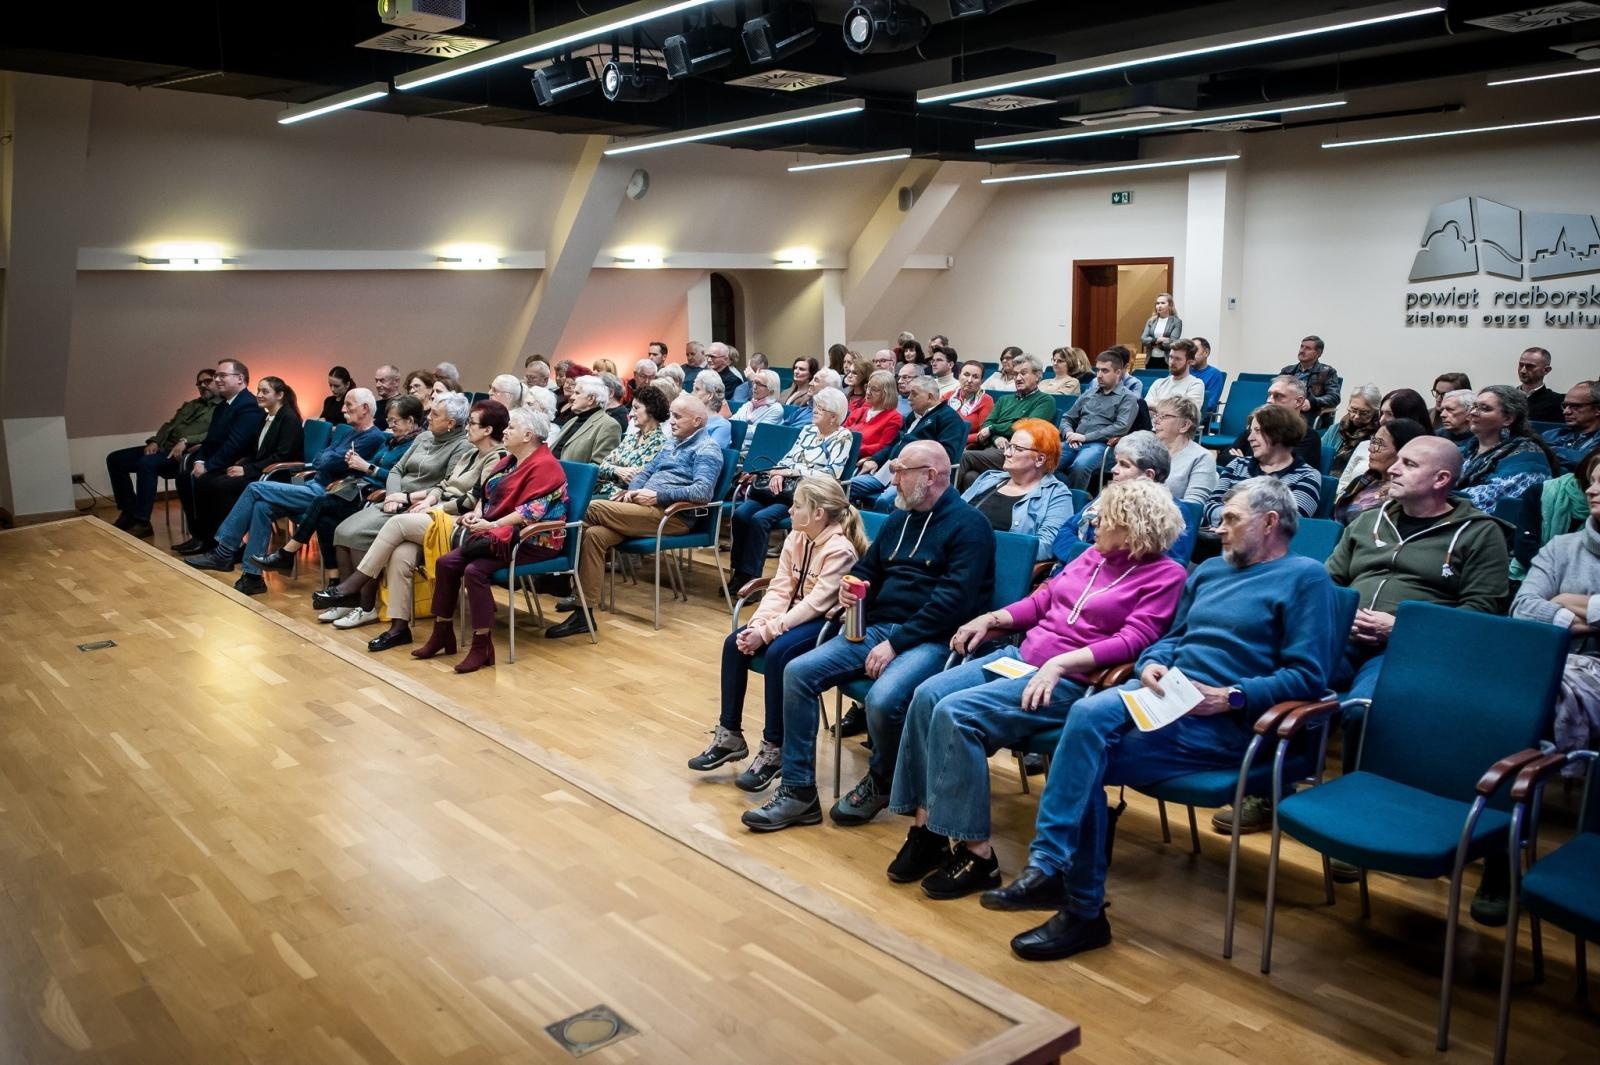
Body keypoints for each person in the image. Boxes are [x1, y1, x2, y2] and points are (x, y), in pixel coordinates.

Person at [987, 477, 1341, 962]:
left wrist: (1233, 697)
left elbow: (1309, 675)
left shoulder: (1306, 579)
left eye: (1232, 519)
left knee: (1082, 748)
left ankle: (1068, 893)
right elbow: (1172, 638)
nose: (1218, 529)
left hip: (1227, 722)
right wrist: (1152, 662)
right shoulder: (1210, 570)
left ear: (1270, 522)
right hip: (1166, 697)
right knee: (1085, 728)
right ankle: (1064, 886)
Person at [887, 478, 1188, 898]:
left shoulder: (1166, 575)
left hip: (1071, 681)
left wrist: (1060, 663)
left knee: (957, 714)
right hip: (1021, 659)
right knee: (927, 695)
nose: (1093, 523)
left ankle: (978, 855)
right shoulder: (1092, 556)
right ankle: (929, 830)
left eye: (1103, 518)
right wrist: (992, 619)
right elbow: (1041, 602)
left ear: (1131, 527)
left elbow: (1134, 641)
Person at [741, 441, 996, 832]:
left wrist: (896, 644)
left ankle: (882, 778)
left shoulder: (970, 527)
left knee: (882, 700)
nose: (893, 479)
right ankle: (798, 791)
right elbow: (867, 569)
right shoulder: (899, 519)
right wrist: (852, 586)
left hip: (932, 639)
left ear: (930, 476)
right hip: (876, 628)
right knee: (798, 672)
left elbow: (953, 604)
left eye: (900, 471)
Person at [689, 478, 869, 791]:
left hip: (825, 624)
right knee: (733, 644)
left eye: (797, 505)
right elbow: (780, 589)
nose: (789, 510)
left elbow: (815, 605)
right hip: (792, 617)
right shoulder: (796, 537)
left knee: (777, 653)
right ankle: (730, 735)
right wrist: (758, 625)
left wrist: (768, 633)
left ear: (818, 513)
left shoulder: (840, 550)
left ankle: (775, 748)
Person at [315, 399, 511, 650]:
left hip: (458, 522)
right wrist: (426, 500)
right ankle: (399, 628)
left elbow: (472, 499)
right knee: (400, 554)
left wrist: (434, 507)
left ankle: (353, 585)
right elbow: (443, 485)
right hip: (439, 513)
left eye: (472, 423)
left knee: (397, 523)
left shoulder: (497, 457)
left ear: (487, 430)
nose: (466, 427)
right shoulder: (471, 452)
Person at [405, 407, 569, 672]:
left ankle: (482, 647)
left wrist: (492, 524)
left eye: (511, 427)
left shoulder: (546, 466)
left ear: (528, 435)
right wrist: (477, 513)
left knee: (475, 571)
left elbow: (532, 512)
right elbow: (487, 492)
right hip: (500, 534)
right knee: (446, 563)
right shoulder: (510, 460)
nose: (505, 431)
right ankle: (442, 633)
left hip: (535, 541)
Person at [549, 395, 725, 640]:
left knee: (592, 508)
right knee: (594, 535)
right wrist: (633, 492)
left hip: (671, 516)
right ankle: (583, 614)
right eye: (672, 416)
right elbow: (645, 472)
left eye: (678, 417)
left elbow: (703, 492)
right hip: (644, 509)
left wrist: (658, 496)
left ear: (697, 421)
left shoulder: (707, 449)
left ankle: (549, 565)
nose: (671, 422)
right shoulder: (672, 443)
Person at [184, 388, 385, 593]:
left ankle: (223, 552)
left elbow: (327, 460)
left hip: (328, 493)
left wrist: (328, 457)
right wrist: (329, 458)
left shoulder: (373, 437)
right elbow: (320, 459)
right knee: (262, 507)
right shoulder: (350, 433)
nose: (343, 409)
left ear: (365, 408)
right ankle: (252, 577)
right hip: (313, 485)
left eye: (348, 405)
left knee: (254, 488)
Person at [307, 393, 473, 617]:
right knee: (342, 530)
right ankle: (347, 601)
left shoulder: (461, 447)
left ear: (451, 423)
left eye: (435, 414)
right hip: (394, 500)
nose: (428, 417)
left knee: (357, 535)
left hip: (419, 507)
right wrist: (393, 496)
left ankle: (366, 606)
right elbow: (397, 470)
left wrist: (405, 498)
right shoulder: (424, 437)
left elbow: (444, 486)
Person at [243, 395, 426, 595]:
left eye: (394, 421)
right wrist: (359, 464)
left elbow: (397, 478)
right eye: (389, 420)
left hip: (372, 496)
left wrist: (368, 468)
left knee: (320, 502)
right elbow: (328, 459)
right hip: (356, 488)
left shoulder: (413, 445)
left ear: (410, 421)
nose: (390, 425)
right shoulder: (390, 441)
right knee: (324, 520)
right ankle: (333, 581)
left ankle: (287, 553)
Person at [1511, 460, 1600, 770]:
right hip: (1551, 655)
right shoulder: (1561, 547)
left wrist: (1565, 602)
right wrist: (1588, 622)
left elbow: (1539, 608)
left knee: (1538, 683)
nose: (1591, 491)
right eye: (1592, 481)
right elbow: (1522, 609)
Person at [729, 388, 853, 590]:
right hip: (780, 486)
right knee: (741, 514)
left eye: (821, 408)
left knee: (760, 519)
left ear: (833, 416)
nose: (814, 410)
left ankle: (751, 580)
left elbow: (831, 474)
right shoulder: (808, 430)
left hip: (806, 496)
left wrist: (793, 472)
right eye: (815, 406)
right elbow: (787, 458)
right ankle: (738, 572)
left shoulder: (843, 436)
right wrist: (778, 473)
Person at [188, 376, 305, 552]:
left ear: (279, 395)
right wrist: (243, 465)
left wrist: (246, 470)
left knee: (222, 486)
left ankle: (229, 546)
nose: (259, 395)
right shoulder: (266, 417)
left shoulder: (289, 419)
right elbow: (255, 451)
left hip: (278, 475)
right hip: (262, 470)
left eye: (265, 391)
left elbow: (281, 456)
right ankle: (210, 539)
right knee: (208, 480)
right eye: (258, 390)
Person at [107, 367, 219, 538]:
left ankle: (142, 521)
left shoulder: (221, 408)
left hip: (184, 455)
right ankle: (129, 512)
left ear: (217, 382)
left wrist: (186, 440)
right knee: (115, 459)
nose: (203, 385)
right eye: (199, 383)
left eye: (207, 381)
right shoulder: (191, 405)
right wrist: (154, 441)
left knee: (146, 463)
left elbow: (213, 434)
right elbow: (169, 425)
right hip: (164, 447)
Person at [172, 359, 267, 553]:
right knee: (184, 477)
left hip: (238, 463)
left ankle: (217, 541)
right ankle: (199, 535)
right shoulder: (223, 406)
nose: (217, 380)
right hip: (220, 461)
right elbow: (210, 440)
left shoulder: (248, 405)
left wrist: (208, 466)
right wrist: (200, 460)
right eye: (216, 376)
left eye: (222, 375)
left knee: (207, 481)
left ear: (240, 378)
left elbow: (236, 444)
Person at [960, 419, 1074, 560]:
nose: (1007, 453)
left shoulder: (1057, 495)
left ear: (1040, 459)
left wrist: (979, 546)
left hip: (996, 563)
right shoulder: (989, 478)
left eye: (1017, 449)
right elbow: (955, 514)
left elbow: (1045, 546)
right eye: (1009, 446)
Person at [1052, 432, 1174, 562]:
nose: (1113, 470)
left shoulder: (1167, 514)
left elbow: (1158, 564)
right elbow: (1066, 530)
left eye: (1124, 465)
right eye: (1116, 462)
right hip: (1073, 567)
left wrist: (1087, 560)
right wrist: (1080, 559)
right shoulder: (1105, 497)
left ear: (1148, 475)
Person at [850, 376, 966, 511]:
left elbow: (945, 455)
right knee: (845, 487)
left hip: (914, 475)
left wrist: (907, 463)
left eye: (914, 394)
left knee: (884, 501)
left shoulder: (949, 418)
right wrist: (875, 460)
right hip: (886, 472)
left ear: (930, 397)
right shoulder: (913, 416)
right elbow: (894, 444)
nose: (909, 398)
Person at [1203, 405, 1321, 533]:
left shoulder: (1307, 476)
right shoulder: (1237, 464)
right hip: (1219, 537)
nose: (1250, 438)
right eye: (1250, 431)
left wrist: (1233, 518)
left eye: (1258, 431)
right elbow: (1210, 506)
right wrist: (1251, 519)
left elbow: (1290, 523)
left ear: (1280, 433)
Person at [957, 352, 1055, 487]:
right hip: (992, 448)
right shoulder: (1004, 399)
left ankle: (942, 499)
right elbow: (986, 424)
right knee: (970, 476)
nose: (1018, 378)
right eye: (1015, 374)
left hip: (1017, 452)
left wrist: (993, 429)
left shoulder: (1045, 400)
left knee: (964, 457)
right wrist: (996, 437)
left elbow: (1026, 428)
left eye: (1023, 373)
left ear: (1037, 376)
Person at [1458, 385, 1556, 512]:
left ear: (1508, 419)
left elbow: (1488, 498)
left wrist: (1441, 496)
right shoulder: (1467, 449)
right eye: (1474, 406)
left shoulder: (1527, 455)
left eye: (1485, 408)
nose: (1472, 413)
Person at [1055, 351, 1139, 490]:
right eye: (1098, 370)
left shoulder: (1127, 398)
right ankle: (1067, 492)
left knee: (1080, 466)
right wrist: (1069, 433)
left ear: (1118, 372)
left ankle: (1076, 499)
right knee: (1045, 462)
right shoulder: (1089, 393)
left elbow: (1121, 427)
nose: (1099, 375)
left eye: (1105, 371)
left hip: (1101, 445)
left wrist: (1085, 437)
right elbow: (1067, 418)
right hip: (1074, 441)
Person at [1331, 417, 1429, 526]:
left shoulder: (1405, 495)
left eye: (1379, 444)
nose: (1371, 449)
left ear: (1403, 451)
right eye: (1373, 441)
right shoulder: (1363, 480)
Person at [1336, 388, 1433, 492]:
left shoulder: (1424, 455)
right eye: (1381, 413)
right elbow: (1343, 483)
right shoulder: (1366, 445)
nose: (1382, 420)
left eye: (1390, 414)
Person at [1230, 375, 1323, 471]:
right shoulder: (1256, 427)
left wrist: (1242, 461)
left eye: (1278, 396)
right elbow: (1225, 457)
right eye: (1269, 395)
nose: (1269, 400)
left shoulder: (1308, 437)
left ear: (1298, 402)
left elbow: (1292, 471)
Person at [595, 384, 670, 501]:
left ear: (651, 409)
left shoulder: (660, 443)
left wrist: (613, 467)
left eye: (636, 408)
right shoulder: (630, 438)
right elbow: (602, 466)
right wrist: (617, 470)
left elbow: (634, 477)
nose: (630, 414)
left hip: (623, 497)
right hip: (604, 490)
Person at [1151, 397, 1217, 505]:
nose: (1156, 421)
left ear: (1184, 425)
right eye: (1156, 416)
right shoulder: (1149, 450)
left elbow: (1194, 506)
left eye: (1164, 416)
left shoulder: (1202, 458)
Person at [548, 376, 622, 467]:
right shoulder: (572, 421)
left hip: (571, 475)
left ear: (591, 398)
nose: (572, 397)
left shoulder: (609, 425)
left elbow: (600, 467)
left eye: (577, 393)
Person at [1279, 336, 1341, 429]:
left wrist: (1312, 402)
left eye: (1307, 348)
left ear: (1318, 353)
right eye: (1301, 347)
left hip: (1309, 413)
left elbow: (1334, 397)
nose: (1302, 350)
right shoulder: (1287, 371)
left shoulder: (1327, 372)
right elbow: (1275, 392)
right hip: (1285, 410)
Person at [1322, 383, 1381, 477]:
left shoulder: (1378, 436)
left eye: (1364, 413)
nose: (1356, 416)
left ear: (1375, 411)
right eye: (1353, 410)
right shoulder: (1336, 429)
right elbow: (1318, 453)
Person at [843, 370, 903, 457]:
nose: (868, 392)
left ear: (887, 393)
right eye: (868, 387)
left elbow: (882, 447)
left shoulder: (894, 417)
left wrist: (851, 449)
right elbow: (839, 434)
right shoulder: (859, 412)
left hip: (860, 460)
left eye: (874, 389)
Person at [1544, 380, 1600, 469]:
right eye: (1565, 406)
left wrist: (1548, 450)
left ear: (1597, 409)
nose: (1566, 412)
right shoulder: (1551, 435)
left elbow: (1591, 461)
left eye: (1575, 406)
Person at [1143, 338, 1205, 410]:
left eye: (1178, 359)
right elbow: (1145, 406)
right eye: (1171, 357)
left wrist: (1155, 406)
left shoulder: (1195, 384)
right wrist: (1172, 408)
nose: (1172, 362)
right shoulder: (1158, 383)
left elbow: (1187, 412)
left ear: (1190, 362)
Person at [948, 360, 995, 446]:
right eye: (966, 375)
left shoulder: (986, 400)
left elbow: (983, 433)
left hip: (965, 445)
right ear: (959, 376)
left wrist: (957, 439)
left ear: (981, 381)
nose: (969, 380)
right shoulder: (947, 396)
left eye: (975, 377)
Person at [1518, 346, 1563, 424]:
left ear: (1546, 370)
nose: (1523, 370)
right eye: (1521, 365)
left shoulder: (1558, 402)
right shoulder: (1504, 398)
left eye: (1530, 366)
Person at [1139, 293, 1183, 370]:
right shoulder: (1151, 321)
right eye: (1157, 303)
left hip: (1167, 360)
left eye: (1162, 303)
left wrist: (1154, 344)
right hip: (1151, 359)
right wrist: (1158, 340)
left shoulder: (1176, 322)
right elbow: (1143, 339)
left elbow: (1173, 342)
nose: (1159, 306)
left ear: (1170, 305)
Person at [691, 372, 732, 447]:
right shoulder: (690, 418)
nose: (692, 393)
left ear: (710, 395)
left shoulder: (722, 426)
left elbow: (711, 451)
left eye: (697, 389)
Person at [1189, 337, 1225, 416]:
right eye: (1189, 351)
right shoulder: (1184, 370)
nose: (1190, 354)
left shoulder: (1214, 374)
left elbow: (1210, 405)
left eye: (1195, 350)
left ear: (1206, 353)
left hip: (1197, 416)